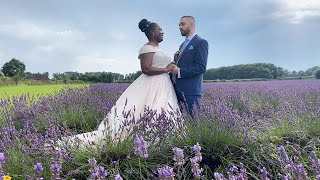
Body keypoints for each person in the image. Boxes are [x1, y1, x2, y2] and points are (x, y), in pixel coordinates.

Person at [63, 19, 180, 146]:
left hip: (163, 85)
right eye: (160, 30)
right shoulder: (146, 48)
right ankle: (145, 139)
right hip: (152, 84)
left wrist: (173, 61)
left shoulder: (159, 48)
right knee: (149, 109)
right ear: (152, 32)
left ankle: (162, 138)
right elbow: (146, 69)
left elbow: (165, 67)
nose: (163, 32)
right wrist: (166, 69)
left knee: (162, 110)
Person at [171, 16, 209, 118]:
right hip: (178, 90)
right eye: (179, 24)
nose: (179, 27)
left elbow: (201, 67)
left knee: (194, 123)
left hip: (191, 92)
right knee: (181, 124)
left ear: (191, 25)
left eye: (182, 24)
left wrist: (180, 71)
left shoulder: (201, 42)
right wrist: (175, 61)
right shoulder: (182, 45)